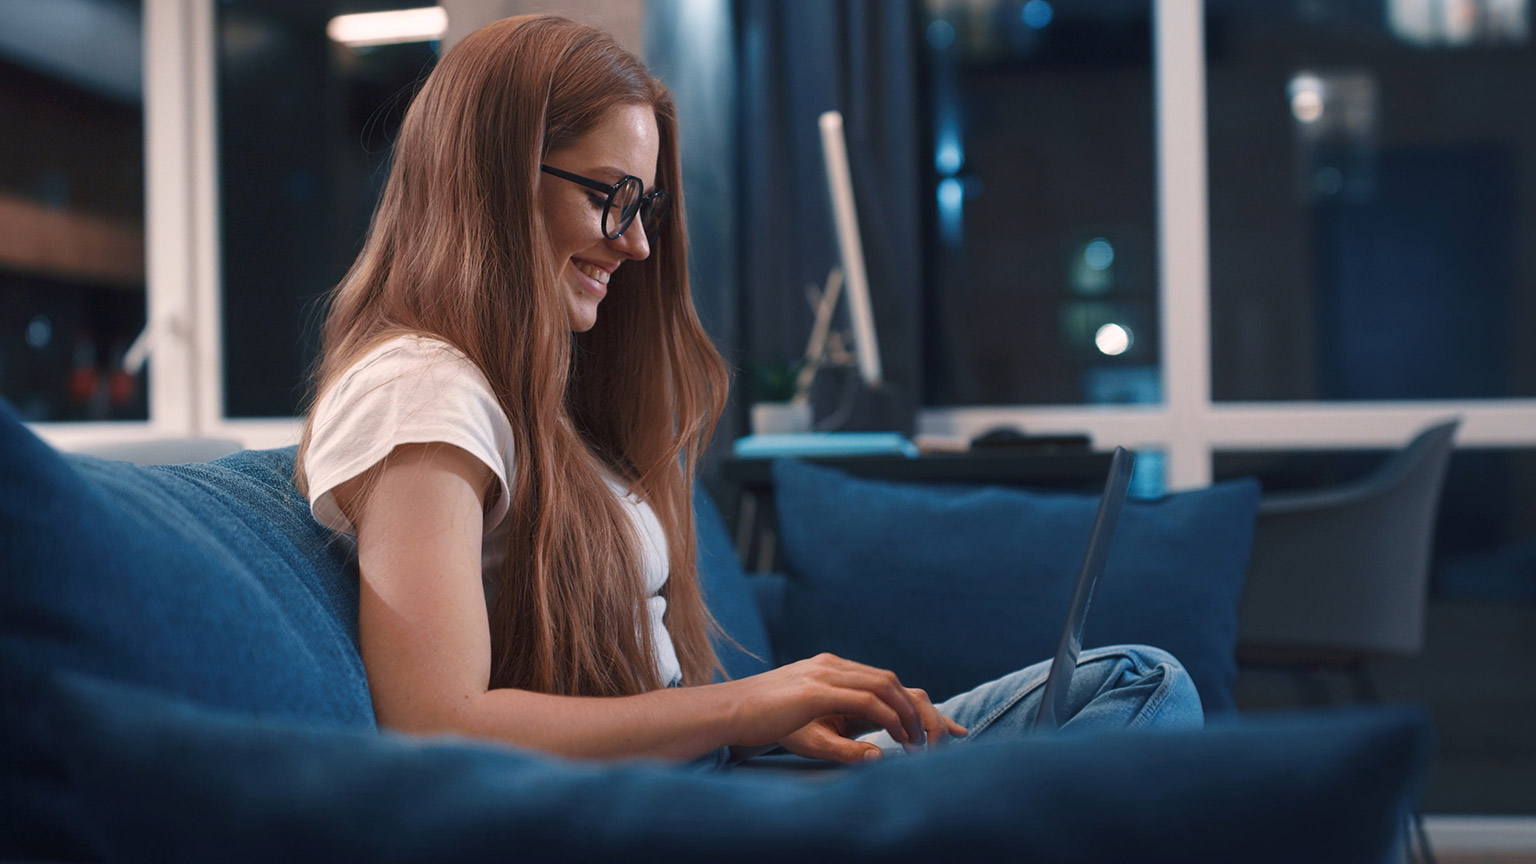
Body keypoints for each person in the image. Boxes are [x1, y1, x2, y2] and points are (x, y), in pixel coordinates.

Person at [295, 14, 1201, 768]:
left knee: (1127, 684)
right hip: (679, 804)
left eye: (642, 207)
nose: (636, 245)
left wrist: (762, 720)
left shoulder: (523, 393)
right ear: (493, 183)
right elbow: (436, 726)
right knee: (1139, 692)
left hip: (717, 778)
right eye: (612, 198)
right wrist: (743, 710)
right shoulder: (418, 393)